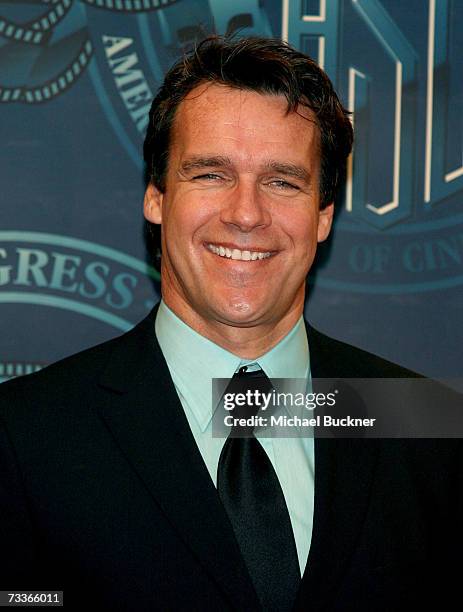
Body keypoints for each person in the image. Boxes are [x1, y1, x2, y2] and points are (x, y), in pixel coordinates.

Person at [0, 36, 461, 612]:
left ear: (323, 215)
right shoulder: (23, 436)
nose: (246, 214)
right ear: (156, 197)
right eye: (211, 174)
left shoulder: (421, 425)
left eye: (283, 181)